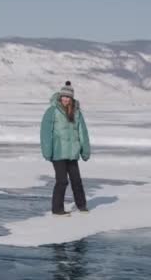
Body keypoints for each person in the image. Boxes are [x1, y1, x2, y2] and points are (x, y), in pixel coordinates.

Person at [40, 81, 91, 216]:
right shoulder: (52, 111)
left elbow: (82, 132)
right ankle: (57, 209)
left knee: (77, 181)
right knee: (62, 181)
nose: (65, 99)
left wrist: (85, 150)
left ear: (71, 98)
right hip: (58, 152)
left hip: (72, 152)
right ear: (60, 96)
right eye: (63, 96)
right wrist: (47, 151)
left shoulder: (77, 112)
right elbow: (45, 132)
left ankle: (82, 206)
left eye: (68, 97)